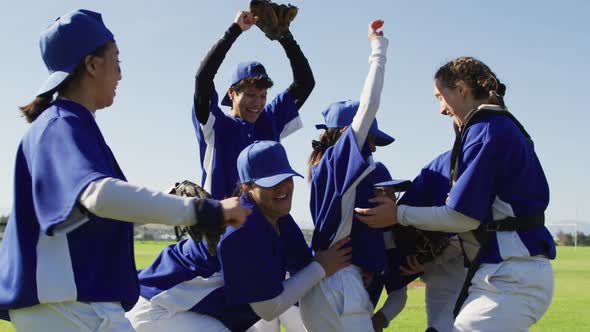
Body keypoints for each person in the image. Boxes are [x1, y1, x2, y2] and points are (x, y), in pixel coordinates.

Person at [0, 9, 249, 332]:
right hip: (69, 307)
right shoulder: (62, 123)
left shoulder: (66, 123)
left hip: (70, 305)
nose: (120, 74)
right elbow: (100, 196)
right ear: (91, 64)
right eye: (116, 60)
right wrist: (204, 210)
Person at [356, 56, 555, 331]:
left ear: (461, 89)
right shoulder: (496, 126)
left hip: (512, 275)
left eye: (440, 96)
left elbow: (463, 217)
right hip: (502, 274)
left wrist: (397, 214)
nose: (441, 108)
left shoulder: (486, 129)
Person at [126, 141, 351, 332]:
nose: (283, 187)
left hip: (189, 312)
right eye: (271, 182)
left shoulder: (281, 219)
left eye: (286, 177)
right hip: (157, 310)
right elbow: (268, 308)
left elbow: (303, 267)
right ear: (246, 187)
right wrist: (321, 267)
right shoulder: (241, 230)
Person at [299, 20, 391, 332]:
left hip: (331, 282)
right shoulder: (339, 160)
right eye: (370, 137)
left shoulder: (325, 165)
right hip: (338, 284)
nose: (373, 145)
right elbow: (370, 104)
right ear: (345, 133)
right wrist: (378, 49)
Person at [193, 9, 315, 200]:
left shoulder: (270, 120)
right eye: (250, 95)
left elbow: (305, 83)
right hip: (224, 225)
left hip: (264, 225)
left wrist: (285, 37)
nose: (257, 103)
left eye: (263, 95)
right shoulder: (215, 125)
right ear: (232, 93)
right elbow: (203, 78)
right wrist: (234, 30)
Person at [370, 152, 467, 332]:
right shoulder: (354, 235)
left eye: (392, 191)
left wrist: (380, 319)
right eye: (382, 191)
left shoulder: (411, 218)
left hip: (460, 282)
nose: (391, 198)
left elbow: (398, 293)